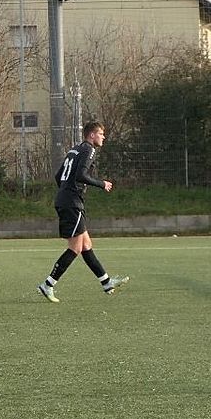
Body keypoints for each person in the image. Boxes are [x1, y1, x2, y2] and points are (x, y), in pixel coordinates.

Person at [37, 121, 129, 303]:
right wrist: (102, 184)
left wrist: (66, 191)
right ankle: (48, 284)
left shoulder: (75, 149)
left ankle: (106, 282)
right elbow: (80, 175)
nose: (103, 137)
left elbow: (58, 176)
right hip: (72, 203)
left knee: (86, 245)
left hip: (67, 200)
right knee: (75, 248)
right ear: (92, 135)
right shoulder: (89, 149)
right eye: (101, 133)